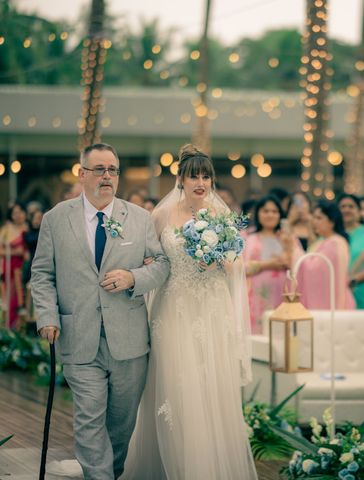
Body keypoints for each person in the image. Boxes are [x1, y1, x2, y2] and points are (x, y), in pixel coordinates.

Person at [31, 143, 170, 479]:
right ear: (82, 174)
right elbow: (42, 275)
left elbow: (163, 265)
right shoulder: (55, 219)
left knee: (121, 426)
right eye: (100, 169)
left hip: (129, 341)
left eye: (113, 170)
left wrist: (132, 277)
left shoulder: (138, 219)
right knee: (89, 419)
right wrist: (47, 317)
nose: (108, 176)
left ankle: (112, 473)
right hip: (79, 338)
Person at [123, 144, 256, 479]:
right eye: (193, 175)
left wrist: (222, 261)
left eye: (205, 176)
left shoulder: (222, 217)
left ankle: (206, 466)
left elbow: (236, 265)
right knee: (174, 383)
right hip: (172, 308)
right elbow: (147, 258)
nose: (200, 182)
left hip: (210, 310)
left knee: (208, 382)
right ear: (180, 178)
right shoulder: (162, 215)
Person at [243, 195, 302, 332]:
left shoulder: (288, 238)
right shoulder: (249, 238)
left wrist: (288, 248)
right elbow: (241, 268)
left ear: (280, 215)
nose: (270, 215)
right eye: (265, 211)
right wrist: (269, 264)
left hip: (282, 291)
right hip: (255, 293)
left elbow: (299, 264)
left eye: (274, 211)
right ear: (258, 214)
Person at [297, 201, 355, 310]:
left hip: (334, 303)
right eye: (314, 218)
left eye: (319, 218)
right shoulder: (325, 241)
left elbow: (312, 269)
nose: (314, 222)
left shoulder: (335, 243)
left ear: (331, 222)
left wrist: (294, 249)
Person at [0, 202, 29, 329]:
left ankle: (22, 328)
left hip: (25, 268)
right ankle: (10, 329)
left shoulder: (28, 228)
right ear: (11, 215)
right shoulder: (6, 230)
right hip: (10, 268)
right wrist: (14, 252)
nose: (18, 215)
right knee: (11, 298)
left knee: (23, 297)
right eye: (15, 213)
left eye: (20, 212)